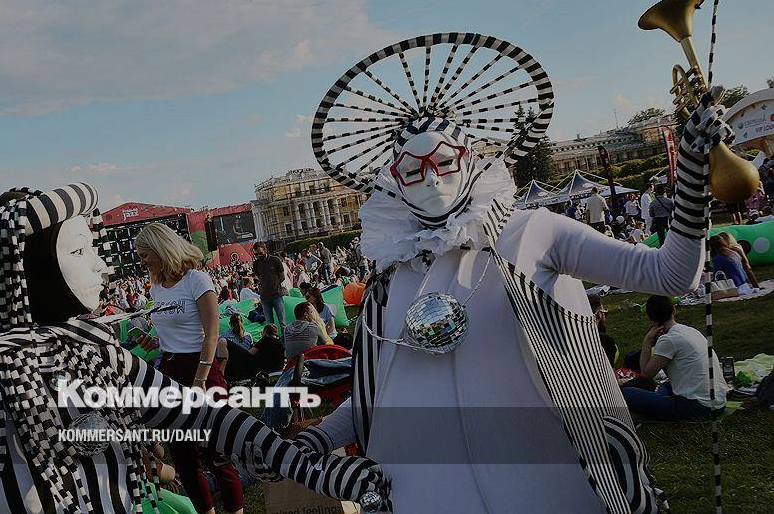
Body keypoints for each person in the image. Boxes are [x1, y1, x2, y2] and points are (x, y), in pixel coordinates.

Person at [294, 49, 732, 511]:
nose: (431, 180)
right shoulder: (391, 279)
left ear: (469, 159)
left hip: (553, 490)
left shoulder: (533, 233)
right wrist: (317, 439)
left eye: (443, 161)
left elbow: (671, 273)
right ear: (394, 181)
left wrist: (692, 173)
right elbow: (379, 393)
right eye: (412, 170)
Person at [0, 184, 383, 513]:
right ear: (23, 270)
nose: (102, 266)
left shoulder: (97, 355)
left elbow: (204, 417)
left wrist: (311, 467)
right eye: (80, 251)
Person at [136, 222, 243, 514]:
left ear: (161, 248)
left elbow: (211, 334)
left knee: (218, 456)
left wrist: (200, 381)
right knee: (184, 459)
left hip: (202, 369)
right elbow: (172, 336)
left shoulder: (197, 280)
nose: (142, 262)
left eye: (145, 255)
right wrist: (153, 341)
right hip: (170, 371)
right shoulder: (157, 288)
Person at [620, 296, 727, 421]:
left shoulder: (668, 339)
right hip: (719, 402)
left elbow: (646, 373)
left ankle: (654, 406)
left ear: (650, 317)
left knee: (626, 394)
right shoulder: (691, 330)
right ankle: (656, 402)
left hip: (699, 407)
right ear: (674, 311)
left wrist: (647, 342)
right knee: (665, 386)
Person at [251, 242, 287, 332]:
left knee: (282, 323)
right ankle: (274, 340)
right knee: (270, 325)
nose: (258, 256)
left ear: (265, 250)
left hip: (277, 295)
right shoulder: (255, 264)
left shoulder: (275, 260)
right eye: (256, 254)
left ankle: (285, 340)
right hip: (264, 297)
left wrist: (274, 284)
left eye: (260, 253)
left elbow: (282, 276)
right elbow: (259, 278)